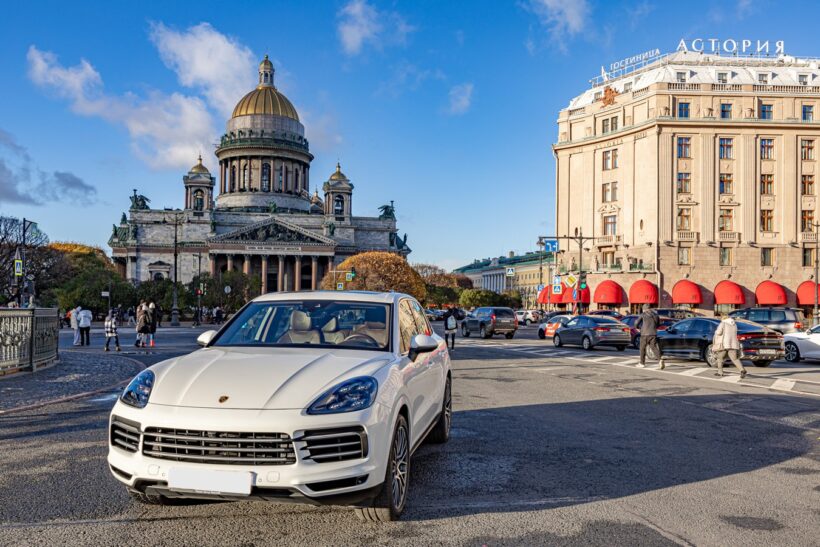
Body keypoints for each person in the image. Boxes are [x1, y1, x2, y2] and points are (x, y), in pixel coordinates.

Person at [712, 313, 747, 378]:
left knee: (720, 358)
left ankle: (720, 372)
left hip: (724, 345)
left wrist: (716, 331)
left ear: (723, 318)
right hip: (733, 344)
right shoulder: (734, 324)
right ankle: (742, 370)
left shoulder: (723, 323)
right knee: (735, 359)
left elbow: (719, 333)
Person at [635, 304, 661, 368]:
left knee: (642, 348)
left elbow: (636, 323)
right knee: (654, 347)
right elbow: (658, 324)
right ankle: (660, 360)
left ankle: (642, 363)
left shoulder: (643, 315)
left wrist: (639, 328)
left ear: (644, 309)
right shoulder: (656, 315)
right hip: (653, 333)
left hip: (644, 334)